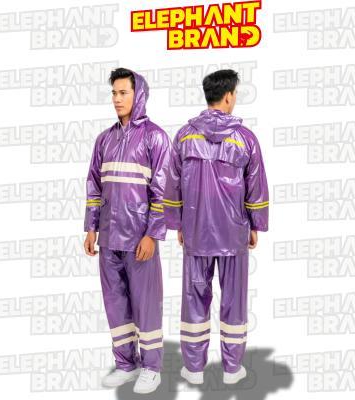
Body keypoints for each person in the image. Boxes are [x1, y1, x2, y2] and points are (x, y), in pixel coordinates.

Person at [163, 69, 269, 385]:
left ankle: (194, 369)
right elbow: (256, 185)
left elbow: (172, 183)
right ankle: (232, 369)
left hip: (195, 231)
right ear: (228, 96)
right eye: (235, 93)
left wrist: (177, 223)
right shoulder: (245, 138)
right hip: (234, 233)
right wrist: (256, 224)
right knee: (234, 300)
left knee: (194, 298)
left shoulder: (184, 136)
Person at [83, 68, 171, 394]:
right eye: (114, 93)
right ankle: (125, 364)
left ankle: (151, 367)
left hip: (139, 239)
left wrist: (152, 234)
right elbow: (94, 186)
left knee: (146, 304)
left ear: (138, 95)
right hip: (108, 238)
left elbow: (164, 192)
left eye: (123, 93)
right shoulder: (104, 140)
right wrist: (91, 227)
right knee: (115, 304)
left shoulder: (155, 137)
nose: (117, 99)